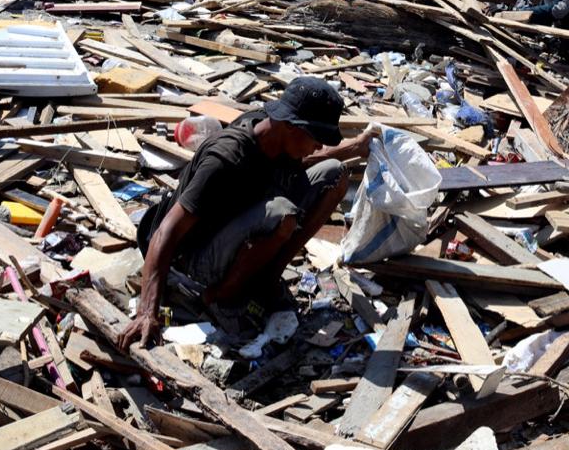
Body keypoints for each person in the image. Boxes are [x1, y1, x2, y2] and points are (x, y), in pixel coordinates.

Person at [116, 77, 376, 350]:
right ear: (291, 127)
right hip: (192, 255)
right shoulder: (227, 159)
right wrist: (147, 312)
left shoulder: (275, 132)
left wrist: (355, 147)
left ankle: (267, 280)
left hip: (235, 222)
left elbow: (304, 159)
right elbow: (166, 232)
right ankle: (220, 298)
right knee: (282, 214)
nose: (320, 146)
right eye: (316, 139)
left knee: (336, 174)